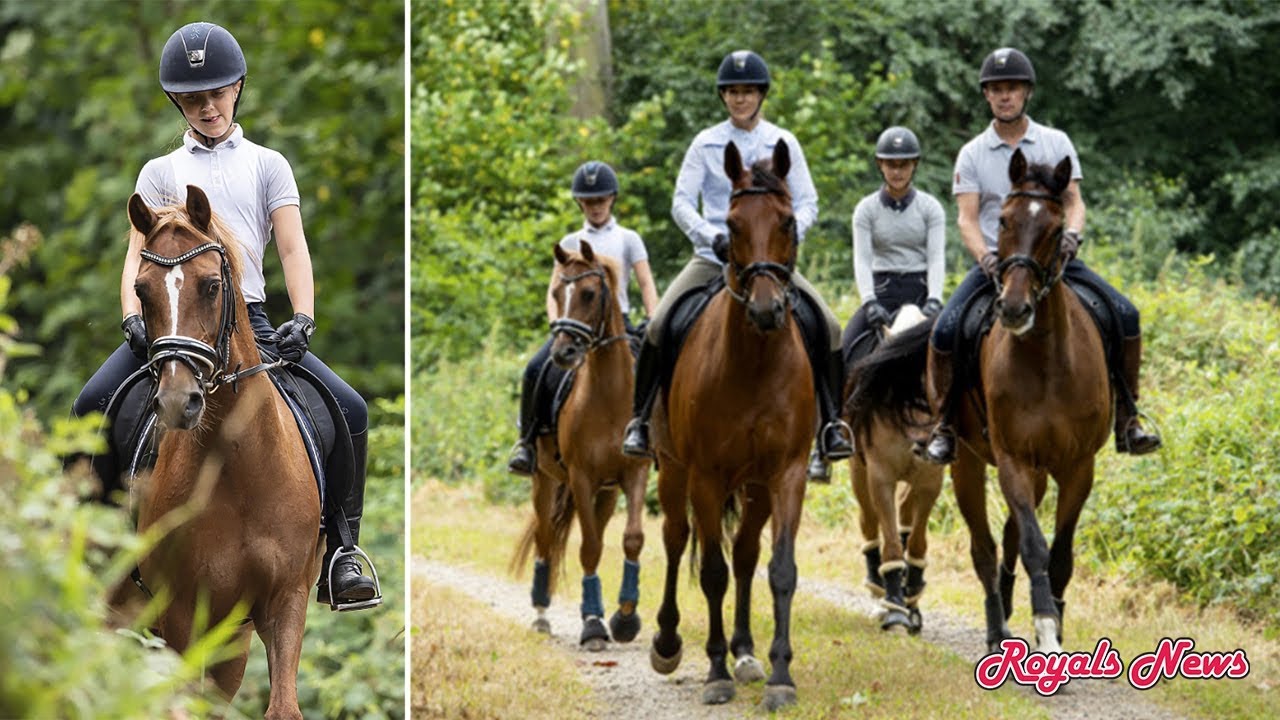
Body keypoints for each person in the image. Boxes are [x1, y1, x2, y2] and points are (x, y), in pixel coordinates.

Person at [72, 21, 380, 609]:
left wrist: (303, 317)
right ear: (176, 102)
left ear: (237, 87)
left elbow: (292, 248)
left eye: (216, 93)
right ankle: (94, 551)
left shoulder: (268, 164)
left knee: (350, 408)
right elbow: (136, 256)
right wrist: (132, 317)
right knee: (92, 404)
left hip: (249, 319)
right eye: (193, 99)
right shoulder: (159, 172)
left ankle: (342, 552)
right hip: (171, 323)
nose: (207, 107)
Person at [923, 47, 1161, 464]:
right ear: (987, 95)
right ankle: (944, 425)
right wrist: (986, 258)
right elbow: (966, 218)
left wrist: (1072, 236)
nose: (1005, 96)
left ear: (1027, 92)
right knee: (945, 330)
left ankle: (1128, 416)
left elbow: (1075, 201)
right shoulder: (972, 153)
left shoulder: (1055, 142)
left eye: (1012, 88)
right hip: (998, 263)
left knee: (1125, 315)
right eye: (996, 89)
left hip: (1053, 259)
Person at [621, 49, 853, 469]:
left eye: (747, 91)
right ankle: (640, 422)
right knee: (658, 325)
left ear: (761, 95)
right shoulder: (705, 143)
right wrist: (711, 237)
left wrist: (785, 236)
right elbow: (681, 202)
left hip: (772, 264)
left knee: (830, 326)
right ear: (723, 96)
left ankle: (832, 426)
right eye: (732, 92)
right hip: (714, 258)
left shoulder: (784, 143)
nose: (740, 98)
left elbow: (808, 202)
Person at [506, 160, 659, 476]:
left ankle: (656, 436)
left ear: (612, 199)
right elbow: (553, 290)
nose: (596, 207)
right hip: (575, 324)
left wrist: (652, 318)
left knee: (656, 365)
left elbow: (646, 283)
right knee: (535, 368)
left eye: (601, 200)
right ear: (580, 203)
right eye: (589, 202)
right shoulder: (569, 243)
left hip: (618, 323)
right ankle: (528, 442)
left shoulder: (628, 239)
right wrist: (556, 324)